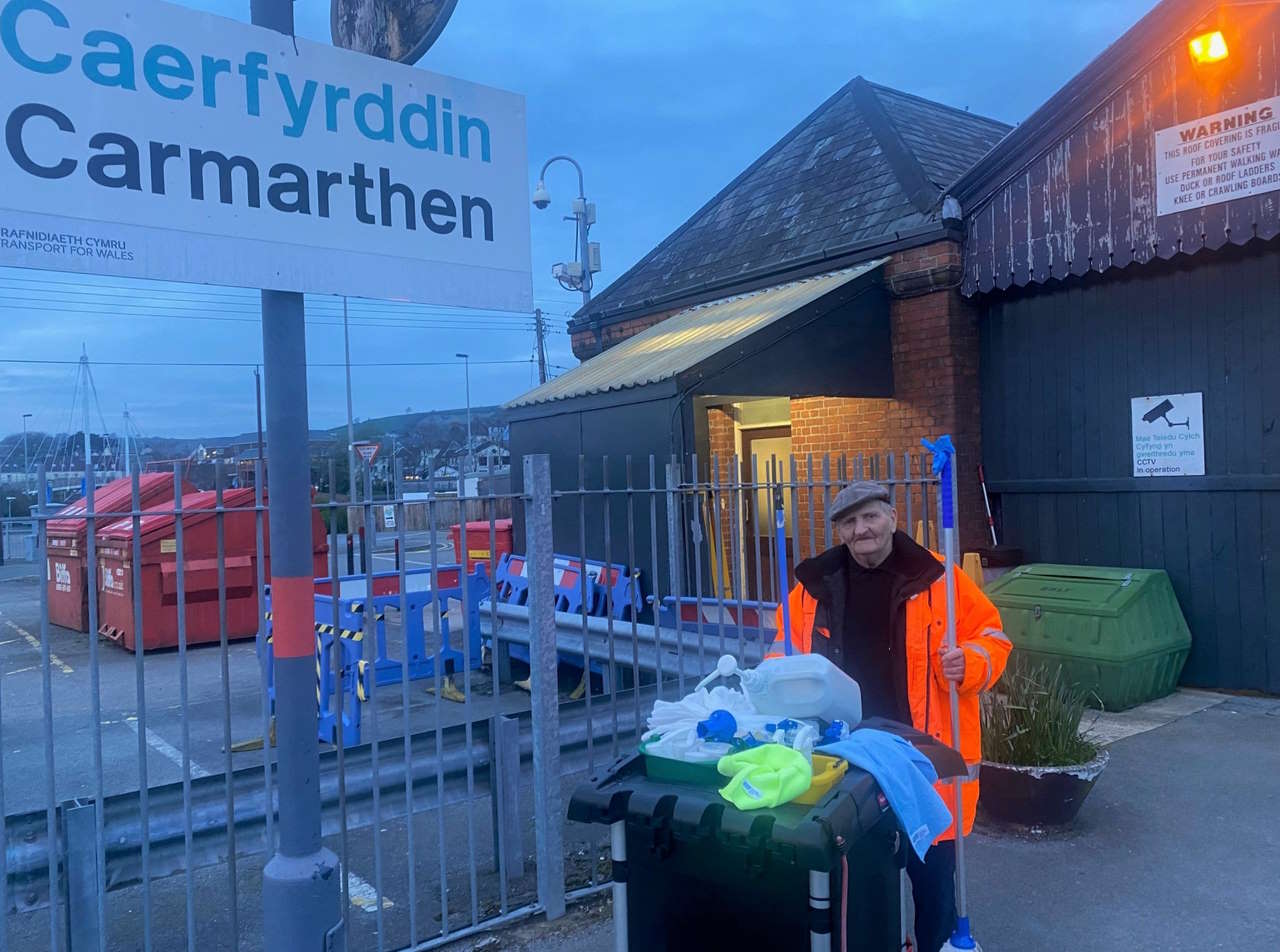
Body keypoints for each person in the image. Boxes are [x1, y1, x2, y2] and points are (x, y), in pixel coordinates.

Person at [771, 480, 1010, 952]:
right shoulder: (810, 592)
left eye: (870, 517)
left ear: (892, 519)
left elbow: (993, 636)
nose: (862, 530)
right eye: (849, 522)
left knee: (934, 879)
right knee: (863, 878)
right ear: (839, 531)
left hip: (922, 758)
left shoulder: (939, 579)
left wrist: (973, 660)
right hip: (847, 757)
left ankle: (937, 943)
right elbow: (782, 657)